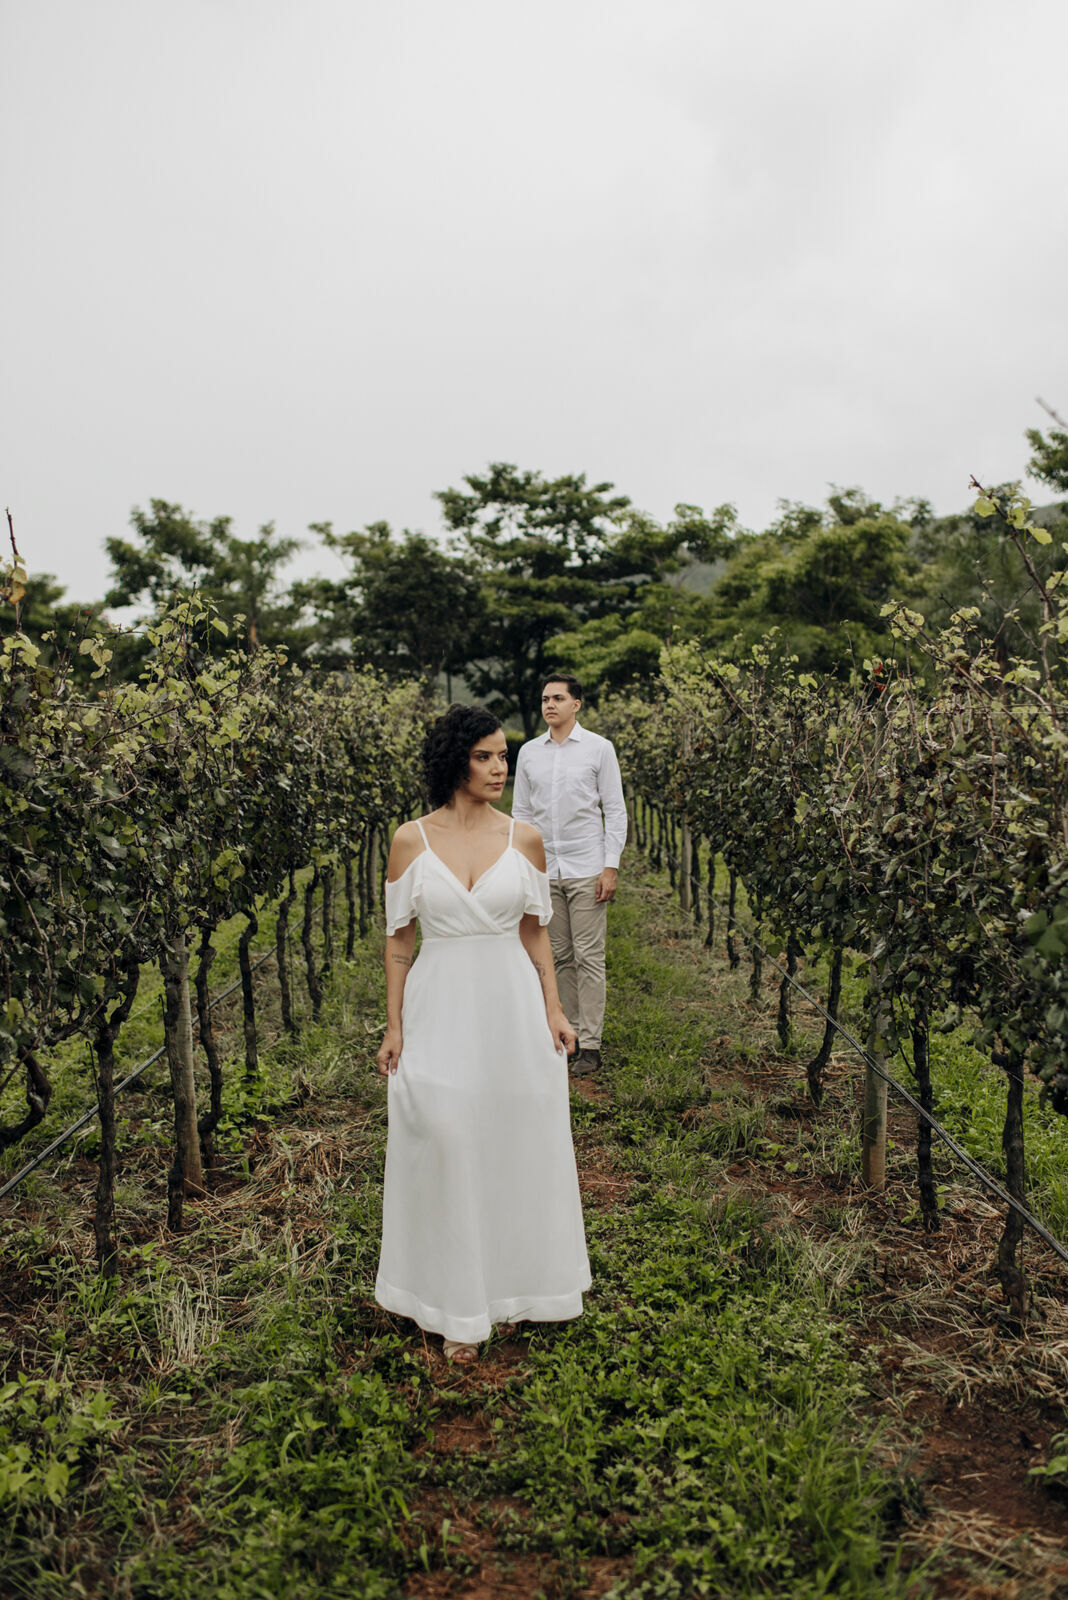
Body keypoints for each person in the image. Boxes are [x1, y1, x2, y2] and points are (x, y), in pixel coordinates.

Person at [375, 704, 591, 1365]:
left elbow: (534, 931)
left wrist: (555, 1009)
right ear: (454, 760)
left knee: (511, 1142)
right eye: (486, 756)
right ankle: (452, 1302)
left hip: (510, 1007)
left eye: (505, 756)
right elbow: (398, 941)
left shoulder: (524, 838)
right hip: (439, 1003)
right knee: (445, 1136)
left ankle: (514, 1290)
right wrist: (394, 1024)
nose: (501, 768)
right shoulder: (409, 840)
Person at [512, 672, 627, 1076]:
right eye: (545, 698)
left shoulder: (599, 749)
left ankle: (592, 1044)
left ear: (576, 704)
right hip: (545, 869)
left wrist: (609, 866)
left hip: (586, 866)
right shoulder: (528, 753)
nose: (549, 705)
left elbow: (614, 809)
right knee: (557, 957)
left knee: (589, 956)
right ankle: (568, 1035)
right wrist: (523, 866)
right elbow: (522, 814)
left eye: (558, 698)